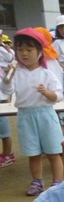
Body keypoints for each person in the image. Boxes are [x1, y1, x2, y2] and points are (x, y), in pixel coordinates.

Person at [1, 28, 64, 196]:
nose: (24, 53)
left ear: (39, 52)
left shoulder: (47, 74)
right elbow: (7, 91)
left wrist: (47, 93)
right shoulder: (16, 73)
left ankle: (57, 182)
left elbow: (58, 96)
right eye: (20, 49)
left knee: (53, 152)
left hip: (45, 115)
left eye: (29, 49)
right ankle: (37, 182)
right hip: (25, 116)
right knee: (33, 153)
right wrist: (6, 78)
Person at [0, 34, 15, 167]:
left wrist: (8, 49)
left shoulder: (4, 51)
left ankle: (7, 154)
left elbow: (10, 57)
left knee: (4, 129)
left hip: (1, 95)